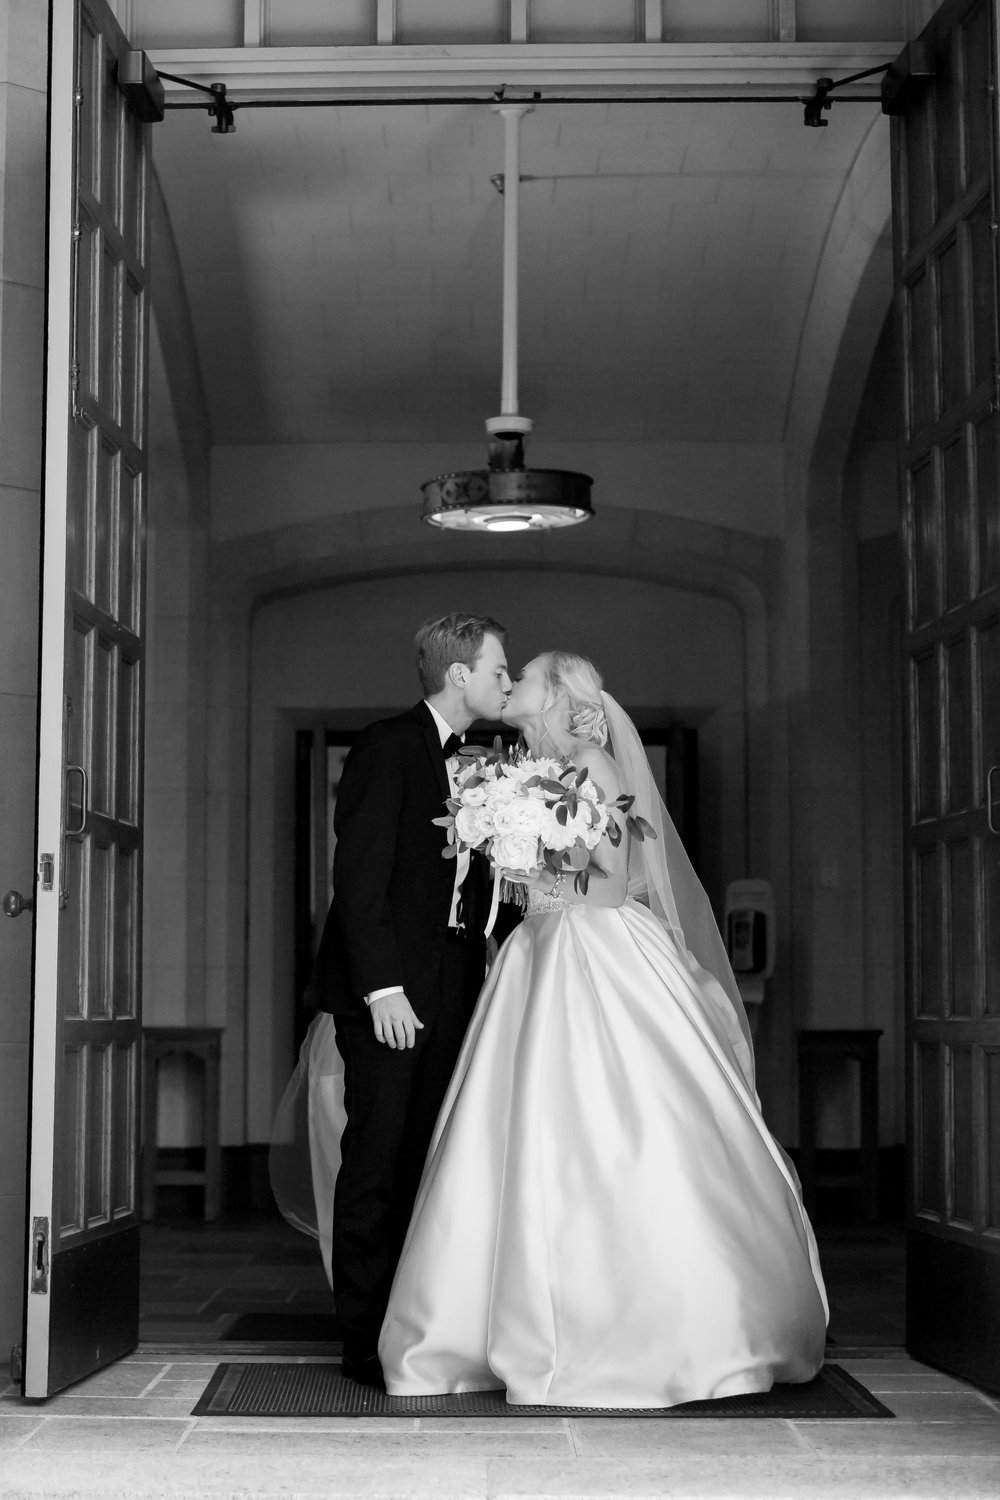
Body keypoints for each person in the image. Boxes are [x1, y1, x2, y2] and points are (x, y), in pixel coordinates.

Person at [377, 652, 828, 1408]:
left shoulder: (592, 764)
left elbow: (613, 885)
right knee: (511, 1127)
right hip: (539, 955)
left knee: (608, 1124)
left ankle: (645, 1329)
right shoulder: (529, 763)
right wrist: (505, 851)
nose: (511, 682)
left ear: (553, 693)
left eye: (523, 676)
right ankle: (490, 1322)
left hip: (595, 956)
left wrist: (527, 882)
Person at [305, 613, 513, 1389]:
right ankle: (362, 1343)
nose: (506, 678)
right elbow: (358, 883)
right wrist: (383, 987)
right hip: (388, 996)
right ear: (459, 675)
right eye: (499, 667)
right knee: (377, 1160)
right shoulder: (387, 746)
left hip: (459, 985)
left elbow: (484, 891)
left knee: (434, 1161)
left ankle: (417, 1326)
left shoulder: (490, 765)